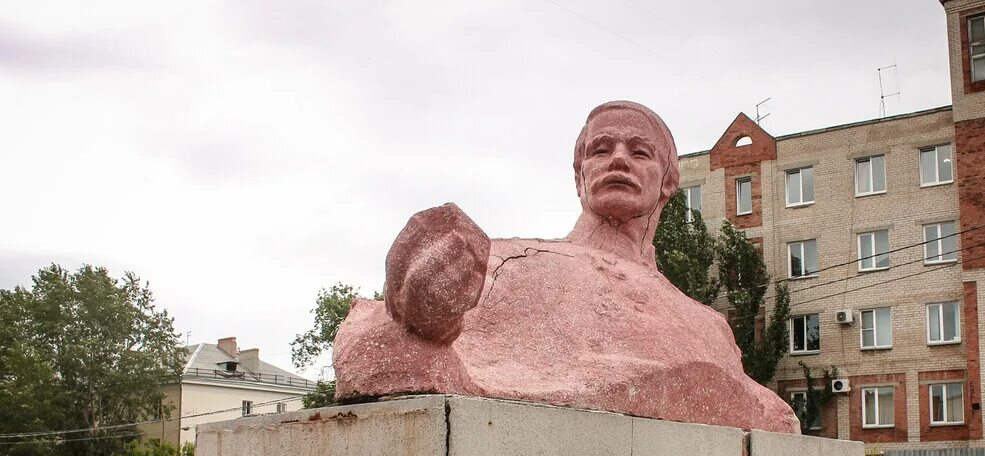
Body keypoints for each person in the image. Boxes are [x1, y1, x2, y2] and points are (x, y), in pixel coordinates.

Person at [334, 101, 799, 434]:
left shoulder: (709, 326)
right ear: (579, 175)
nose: (618, 158)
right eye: (601, 149)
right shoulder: (504, 263)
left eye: (640, 152)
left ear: (668, 182)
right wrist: (413, 314)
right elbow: (377, 351)